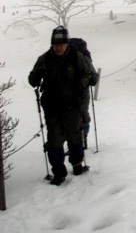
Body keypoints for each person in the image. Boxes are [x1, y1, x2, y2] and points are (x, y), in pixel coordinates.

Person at [28, 25, 99, 185]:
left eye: (61, 44)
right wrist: (37, 74)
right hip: (52, 107)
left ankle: (77, 164)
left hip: (73, 105)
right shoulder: (44, 59)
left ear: (67, 43)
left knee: (75, 137)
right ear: (51, 44)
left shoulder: (77, 57)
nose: (58, 47)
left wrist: (82, 83)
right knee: (54, 141)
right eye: (55, 44)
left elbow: (89, 74)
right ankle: (59, 173)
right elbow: (32, 81)